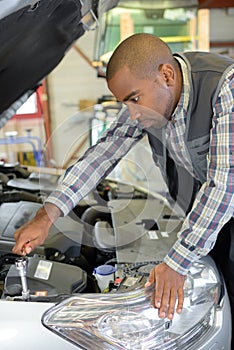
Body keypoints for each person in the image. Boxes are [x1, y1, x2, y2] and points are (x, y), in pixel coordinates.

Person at [13, 33, 233, 341]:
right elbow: (103, 153)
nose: (131, 114)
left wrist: (176, 262)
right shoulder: (148, 93)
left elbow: (225, 184)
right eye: (123, 103)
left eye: (134, 99)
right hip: (209, 214)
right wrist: (47, 216)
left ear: (166, 76)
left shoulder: (224, 87)